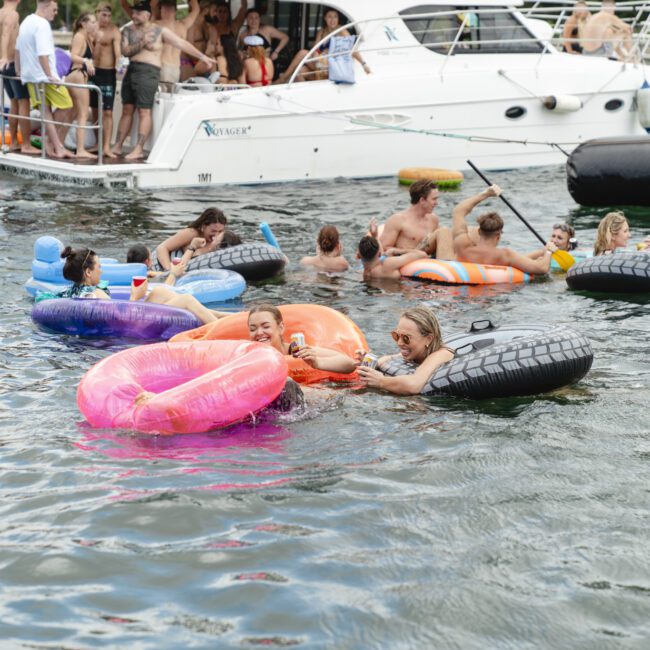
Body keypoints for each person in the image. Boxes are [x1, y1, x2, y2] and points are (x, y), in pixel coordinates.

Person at [113, 0, 215, 160]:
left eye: (138, 13)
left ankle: (139, 148)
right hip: (132, 70)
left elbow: (181, 43)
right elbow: (125, 51)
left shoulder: (159, 31)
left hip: (149, 72)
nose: (134, 15)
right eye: (133, 12)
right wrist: (142, 42)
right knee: (127, 109)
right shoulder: (127, 30)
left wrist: (203, 56)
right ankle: (118, 145)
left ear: (147, 14)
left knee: (144, 111)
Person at [58, 245, 227, 324]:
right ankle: (223, 328)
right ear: (88, 272)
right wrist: (134, 296)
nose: (101, 271)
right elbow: (121, 321)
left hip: (135, 319)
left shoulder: (73, 291)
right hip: (136, 327)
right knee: (187, 300)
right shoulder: (96, 295)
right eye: (99, 267)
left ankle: (224, 316)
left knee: (160, 291)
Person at [451, 185, 557, 276]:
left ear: (479, 231)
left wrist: (486, 194)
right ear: (498, 235)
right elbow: (542, 269)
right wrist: (548, 251)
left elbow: (458, 211)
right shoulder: (505, 255)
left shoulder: (462, 244)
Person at [15, 0, 75, 159]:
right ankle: (51, 143)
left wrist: (18, 69)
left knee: (46, 111)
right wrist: (50, 76)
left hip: (32, 77)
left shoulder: (26, 20)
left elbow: (18, 49)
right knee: (66, 103)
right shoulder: (42, 24)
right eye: (54, 10)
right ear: (46, 5)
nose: (55, 14)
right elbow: (43, 54)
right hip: (43, 77)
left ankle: (54, 145)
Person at [356, 306, 454, 396]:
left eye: (406, 338)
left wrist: (381, 381)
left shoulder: (442, 354)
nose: (399, 343)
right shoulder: (414, 352)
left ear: (428, 339)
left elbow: (414, 385)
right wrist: (367, 362)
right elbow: (388, 359)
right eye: (397, 336)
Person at [248, 303, 356, 374]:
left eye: (266, 327)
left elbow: (349, 363)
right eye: (253, 329)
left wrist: (318, 363)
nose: (259, 333)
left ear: (280, 327)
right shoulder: (248, 356)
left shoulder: (297, 350)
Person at [276, 7, 370, 84]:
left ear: (338, 19)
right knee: (300, 72)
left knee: (302, 53)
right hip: (319, 64)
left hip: (331, 67)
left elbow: (352, 48)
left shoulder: (341, 30)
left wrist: (363, 64)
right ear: (325, 18)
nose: (332, 20)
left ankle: (283, 78)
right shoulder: (322, 31)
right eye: (329, 17)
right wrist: (316, 54)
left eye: (335, 17)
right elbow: (315, 49)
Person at [0, 0, 40, 154]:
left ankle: (15, 143)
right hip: (11, 65)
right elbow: (5, 34)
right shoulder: (13, 14)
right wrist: (4, 57)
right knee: (24, 103)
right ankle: (26, 145)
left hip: (5, 67)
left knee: (14, 104)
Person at [65, 12, 99, 159]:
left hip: (77, 76)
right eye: (92, 22)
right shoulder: (79, 36)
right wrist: (86, 61)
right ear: (83, 24)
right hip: (77, 75)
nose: (95, 24)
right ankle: (80, 150)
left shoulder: (86, 38)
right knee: (83, 114)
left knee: (73, 113)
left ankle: (58, 143)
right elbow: (72, 56)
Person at [154, 207, 228, 271]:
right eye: (213, 231)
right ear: (203, 226)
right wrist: (169, 270)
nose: (217, 234)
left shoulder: (222, 238)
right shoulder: (191, 233)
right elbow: (162, 247)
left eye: (220, 231)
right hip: (162, 265)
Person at [90, 2, 120, 158]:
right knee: (94, 110)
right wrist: (95, 40)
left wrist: (119, 66)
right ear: (97, 13)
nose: (106, 19)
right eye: (103, 15)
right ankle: (98, 143)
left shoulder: (114, 31)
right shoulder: (91, 30)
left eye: (109, 16)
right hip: (93, 72)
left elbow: (118, 54)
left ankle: (107, 146)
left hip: (108, 74)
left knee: (107, 112)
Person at [379, 179, 440, 251]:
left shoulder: (433, 219)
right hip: (407, 258)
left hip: (428, 258)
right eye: (434, 199)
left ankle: (450, 261)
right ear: (422, 200)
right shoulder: (397, 220)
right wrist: (411, 252)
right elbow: (384, 248)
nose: (437, 203)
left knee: (443, 232)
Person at [153, 0, 199, 91]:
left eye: (169, 9)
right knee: (165, 98)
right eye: (165, 9)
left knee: (167, 99)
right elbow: (196, 9)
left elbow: (196, 9)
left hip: (171, 68)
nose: (167, 11)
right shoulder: (157, 24)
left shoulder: (181, 24)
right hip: (167, 67)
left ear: (175, 10)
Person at [126, 238, 203, 283]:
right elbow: (173, 272)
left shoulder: (128, 274)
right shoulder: (149, 275)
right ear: (147, 261)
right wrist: (192, 247)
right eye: (150, 257)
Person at [358, 234, 427, 280]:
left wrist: (375, 235)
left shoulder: (361, 272)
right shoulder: (388, 264)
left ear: (359, 255)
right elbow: (422, 254)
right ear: (379, 254)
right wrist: (396, 251)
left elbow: (378, 257)